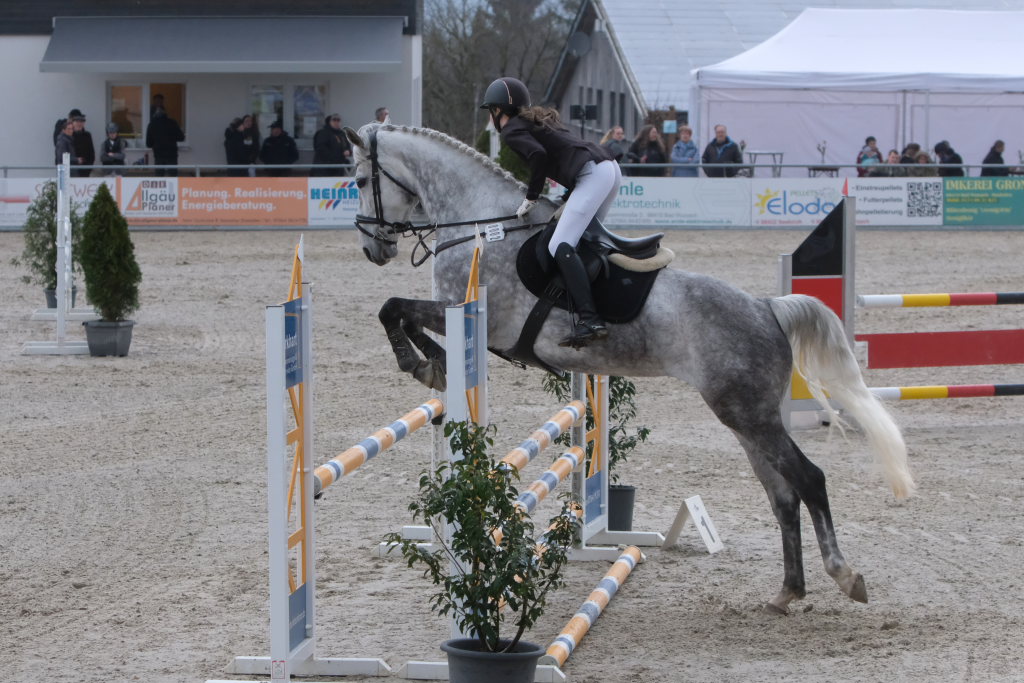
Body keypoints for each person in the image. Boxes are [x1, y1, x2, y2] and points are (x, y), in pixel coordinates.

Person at [479, 76, 617, 349]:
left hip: (592, 175)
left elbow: (539, 156)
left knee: (559, 245)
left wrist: (531, 197)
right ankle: (599, 301)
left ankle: (591, 319)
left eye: (490, 111)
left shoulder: (511, 130)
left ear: (498, 110)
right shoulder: (533, 121)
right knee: (584, 239)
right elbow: (562, 151)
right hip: (608, 168)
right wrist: (567, 197)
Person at [145, 106, 185, 177]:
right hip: (171, 154)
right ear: (165, 113)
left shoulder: (152, 125)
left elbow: (148, 144)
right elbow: (181, 138)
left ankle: (161, 185)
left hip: (158, 154)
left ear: (155, 114)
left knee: (159, 177)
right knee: (173, 176)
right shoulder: (172, 123)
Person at [70, 111, 95, 177]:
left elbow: (91, 153)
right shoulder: (69, 136)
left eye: (81, 122)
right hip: (71, 169)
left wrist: (88, 168)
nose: (79, 124)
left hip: (85, 170)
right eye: (77, 122)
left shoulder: (87, 135)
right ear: (73, 123)